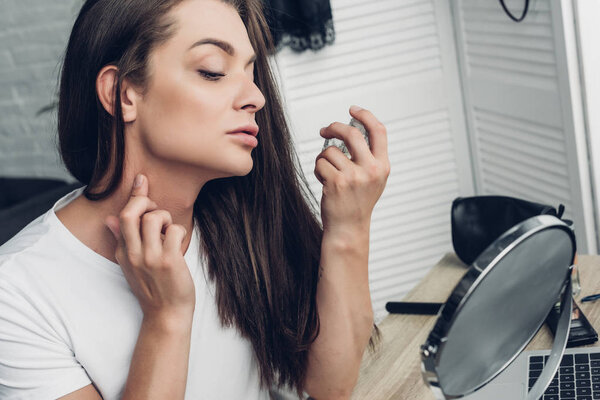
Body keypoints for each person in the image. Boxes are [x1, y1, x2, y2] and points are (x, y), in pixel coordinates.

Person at [0, 0, 390, 399]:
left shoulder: (238, 221)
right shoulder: (16, 296)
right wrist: (166, 317)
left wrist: (349, 227)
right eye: (213, 71)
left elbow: (330, 385)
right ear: (123, 93)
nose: (256, 96)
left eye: (251, 72)